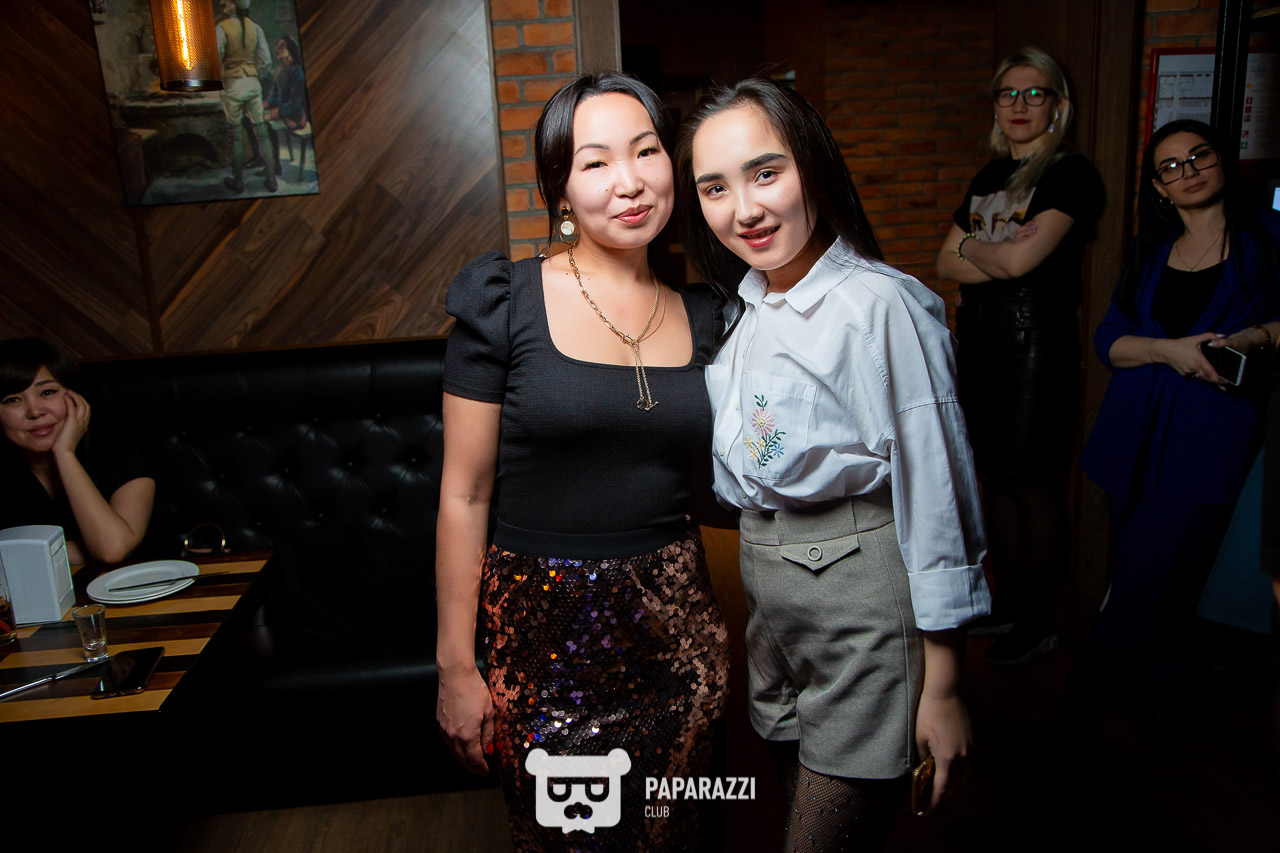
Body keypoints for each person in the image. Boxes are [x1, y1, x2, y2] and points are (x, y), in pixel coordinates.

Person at [678, 77, 990, 851]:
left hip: (861, 606)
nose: (743, 209)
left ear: (812, 167)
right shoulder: (748, 305)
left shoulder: (881, 305)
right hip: (774, 609)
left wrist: (945, 683)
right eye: (714, 187)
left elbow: (939, 489)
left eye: (765, 172)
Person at [435, 72, 729, 851]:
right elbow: (464, 494)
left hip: (681, 644)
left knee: (678, 837)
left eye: (646, 151)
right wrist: (456, 666)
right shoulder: (505, 303)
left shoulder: (709, 315)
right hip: (544, 647)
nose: (629, 181)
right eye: (595, 162)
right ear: (560, 189)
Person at [1079, 119, 1279, 688]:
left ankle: (1087, 700)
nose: (1187, 171)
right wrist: (1165, 350)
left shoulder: (1268, 236)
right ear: (1158, 187)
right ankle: (1153, 699)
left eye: (1199, 156)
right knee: (1151, 581)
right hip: (1131, 434)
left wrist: (1256, 336)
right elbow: (1108, 341)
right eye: (1170, 166)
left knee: (1146, 579)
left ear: (1222, 160)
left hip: (1208, 435)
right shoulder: (1150, 252)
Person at [935, 47, 1104, 666]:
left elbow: (1017, 262)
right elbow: (944, 261)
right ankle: (1007, 607)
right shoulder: (990, 178)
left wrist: (981, 248)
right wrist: (996, 252)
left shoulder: (1069, 174)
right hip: (980, 340)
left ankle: (1039, 624)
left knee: (1033, 485)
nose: (1020, 105)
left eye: (1035, 93)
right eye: (1008, 93)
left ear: (1058, 105)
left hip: (1035, 344)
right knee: (996, 482)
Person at [0, 338, 154, 565]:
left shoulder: (118, 451)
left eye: (47, 392)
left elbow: (112, 549)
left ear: (75, 396)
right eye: (13, 399)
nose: (34, 411)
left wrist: (64, 453)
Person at [217, 0, 276, 195]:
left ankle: (238, 181)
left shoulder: (222, 28)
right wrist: (253, 74)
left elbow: (215, 59)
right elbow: (266, 62)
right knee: (262, 133)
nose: (221, 2)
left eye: (226, 0)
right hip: (252, 84)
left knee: (235, 136)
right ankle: (271, 179)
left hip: (233, 85)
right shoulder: (256, 28)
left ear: (236, 4)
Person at [261, 37, 309, 178]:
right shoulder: (281, 69)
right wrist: (262, 107)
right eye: (278, 46)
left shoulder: (297, 71)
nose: (277, 49)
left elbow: (295, 104)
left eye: (282, 47)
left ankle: (275, 166)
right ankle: (264, 161)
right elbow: (274, 95)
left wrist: (272, 114)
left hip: (295, 116)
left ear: (290, 50)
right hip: (283, 112)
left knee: (267, 125)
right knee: (255, 118)